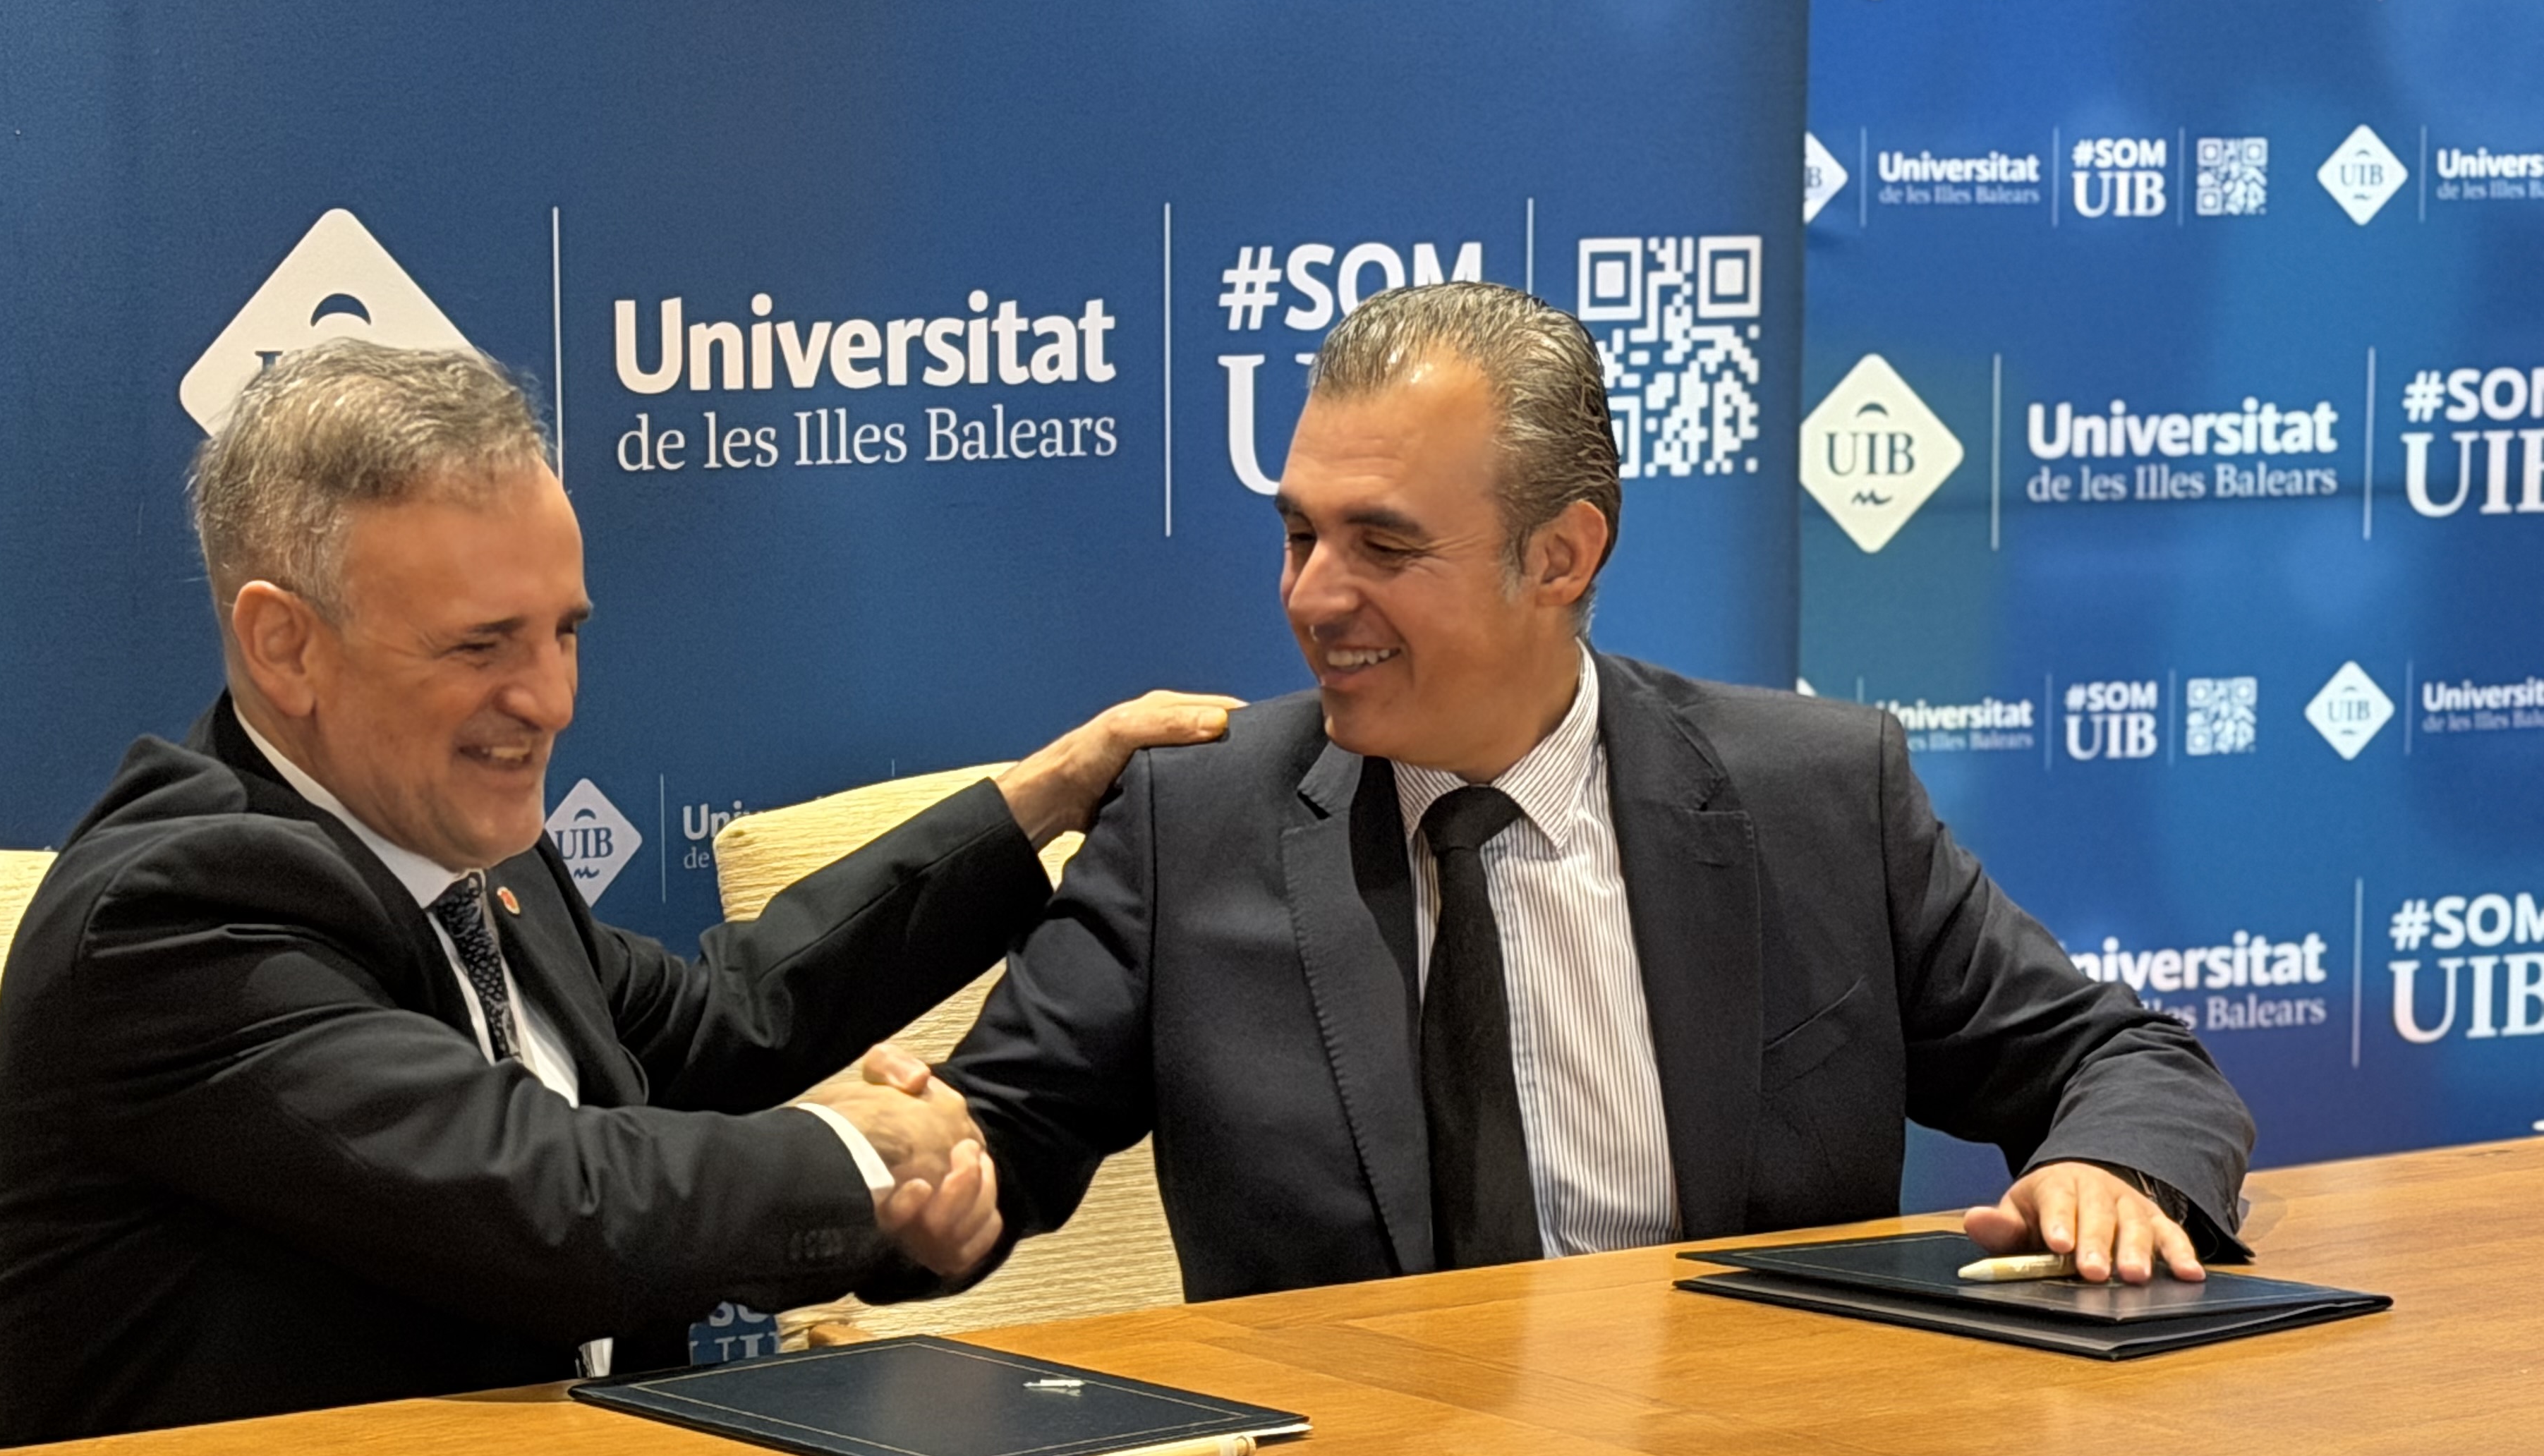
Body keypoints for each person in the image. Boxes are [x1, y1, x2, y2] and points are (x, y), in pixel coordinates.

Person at [0, 341, 1231, 1446]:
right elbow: (557, 1207)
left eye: (562, 631)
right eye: (483, 646)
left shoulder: (467, 847)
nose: (552, 702)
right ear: (285, 645)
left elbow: (720, 1026)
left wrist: (1041, 803)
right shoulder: (179, 912)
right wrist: (868, 1158)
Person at [933, 280, 2254, 1304]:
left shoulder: (1813, 799)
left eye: (1382, 546)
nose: (1313, 597)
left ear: (1560, 555)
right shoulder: (1196, 820)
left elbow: (2125, 1058)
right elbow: (994, 1146)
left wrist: (2107, 1169)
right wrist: (920, 1173)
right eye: (1298, 534)